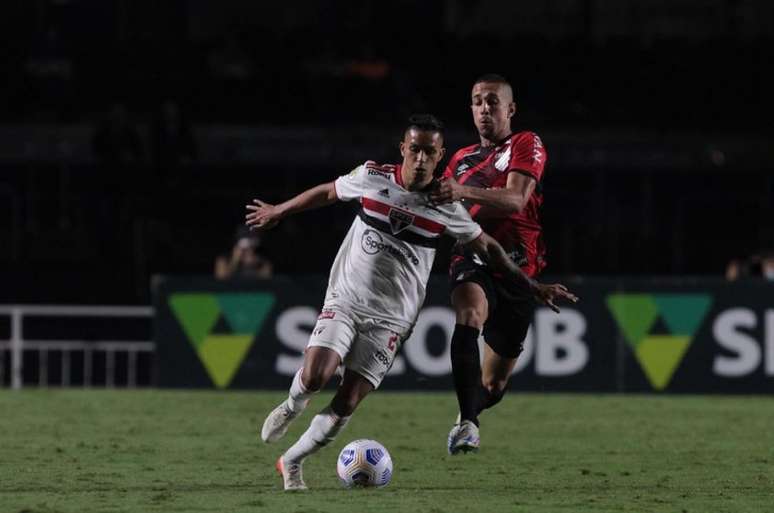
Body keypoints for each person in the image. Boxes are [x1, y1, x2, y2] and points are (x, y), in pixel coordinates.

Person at [245, 114, 576, 490]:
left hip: (392, 320)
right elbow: (327, 192)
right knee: (315, 375)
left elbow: (492, 250)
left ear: (440, 157)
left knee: (349, 399)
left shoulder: (447, 208)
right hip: (348, 299)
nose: (420, 158)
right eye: (414, 149)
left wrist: (533, 286)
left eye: (429, 152)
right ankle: (291, 406)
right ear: (403, 148)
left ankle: (292, 461)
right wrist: (278, 211)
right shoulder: (372, 177)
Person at [428, 74, 554, 454]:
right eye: (477, 101)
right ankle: (468, 424)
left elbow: (515, 200)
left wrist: (461, 190)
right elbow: (445, 211)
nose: (485, 107)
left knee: (493, 387)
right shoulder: (459, 159)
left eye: (493, 101)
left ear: (510, 108)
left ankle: (470, 413)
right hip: (474, 255)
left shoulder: (525, 143)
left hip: (519, 267)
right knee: (469, 315)